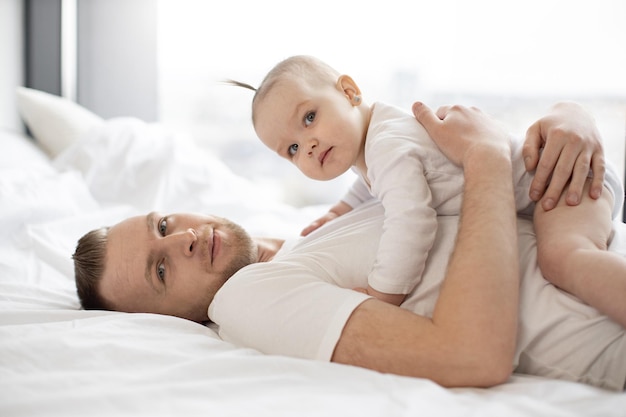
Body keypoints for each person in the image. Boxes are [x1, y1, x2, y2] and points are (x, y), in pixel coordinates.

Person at [73, 101, 626, 391]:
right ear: (174, 319)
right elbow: (470, 357)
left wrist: (567, 120)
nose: (186, 241)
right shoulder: (249, 300)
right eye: (161, 271)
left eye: (165, 224)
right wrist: (484, 159)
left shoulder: (308, 232)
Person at [237, 56, 626, 325]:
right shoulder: (376, 142)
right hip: (554, 183)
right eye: (291, 149)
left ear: (349, 91)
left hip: (566, 179)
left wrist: (383, 293)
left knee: (564, 259)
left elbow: (412, 220)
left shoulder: (387, 146)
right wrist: (340, 210)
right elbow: (368, 183)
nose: (306, 145)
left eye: (308, 118)